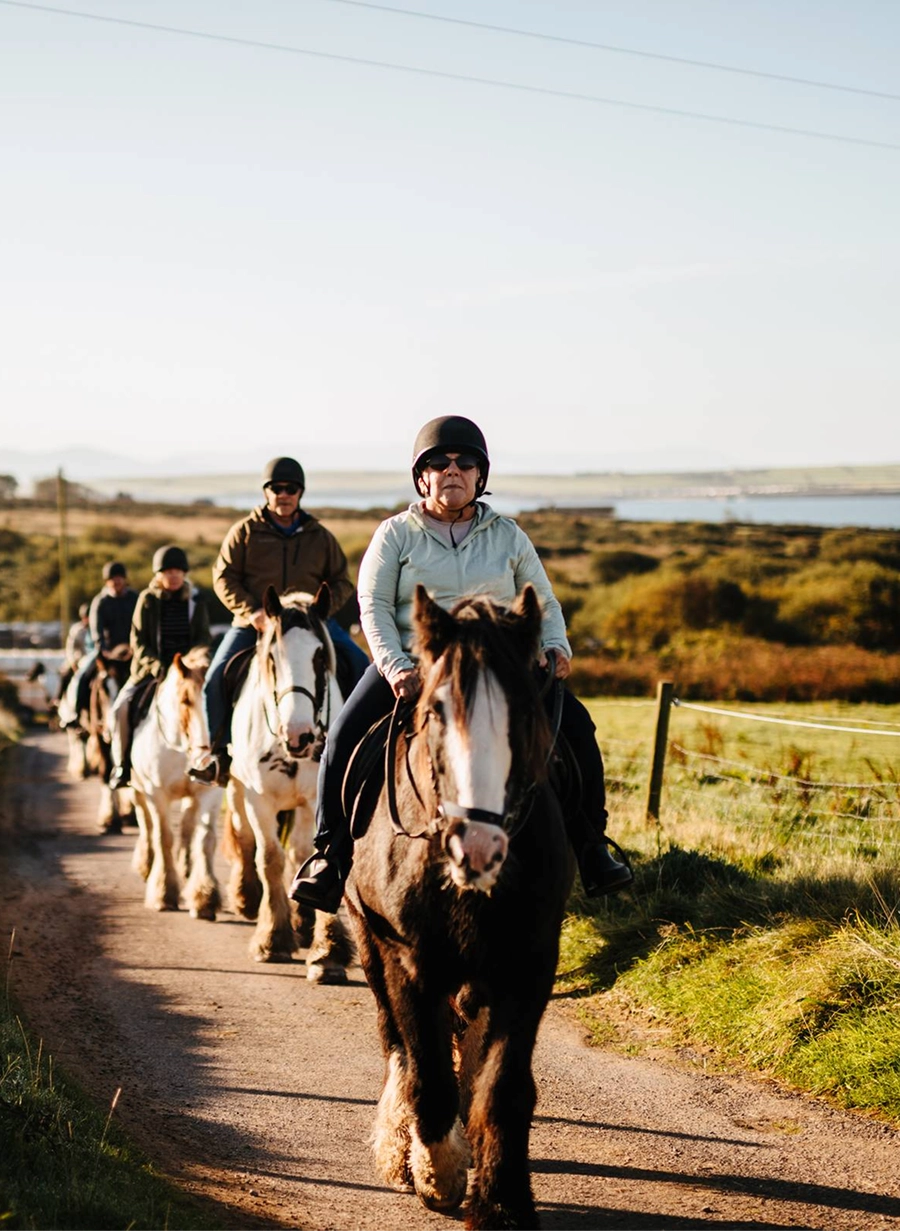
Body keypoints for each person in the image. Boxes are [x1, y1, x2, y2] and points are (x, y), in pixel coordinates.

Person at [291, 415, 633, 914]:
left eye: (465, 462)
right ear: (422, 477)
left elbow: (545, 601)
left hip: (500, 667)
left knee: (578, 729)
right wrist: (394, 666)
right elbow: (374, 607)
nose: (453, 470)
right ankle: (331, 855)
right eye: (438, 463)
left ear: (480, 476)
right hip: (414, 664)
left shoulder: (509, 536)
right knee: (343, 737)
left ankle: (592, 849)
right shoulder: (395, 535)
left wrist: (556, 645)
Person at [190, 456, 368, 786]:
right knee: (217, 675)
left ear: (300, 493)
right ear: (266, 492)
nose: (283, 494)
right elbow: (223, 578)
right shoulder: (244, 532)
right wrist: (250, 611)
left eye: (290, 489)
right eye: (276, 489)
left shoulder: (320, 536)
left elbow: (342, 581)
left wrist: (320, 611)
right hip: (257, 623)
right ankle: (217, 755)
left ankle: (362, 749)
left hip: (311, 623)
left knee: (360, 664)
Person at [108, 545, 211, 789]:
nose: (173, 576)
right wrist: (156, 666)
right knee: (120, 708)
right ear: (158, 575)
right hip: (152, 670)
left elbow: (203, 638)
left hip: (188, 673)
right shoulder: (147, 600)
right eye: (168, 571)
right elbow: (138, 640)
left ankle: (219, 761)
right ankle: (122, 766)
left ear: (184, 573)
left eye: (177, 571)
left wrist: (191, 664)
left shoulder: (195, 601)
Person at [58, 561, 138, 727]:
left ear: (124, 579)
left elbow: (140, 624)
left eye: (119, 578)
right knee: (82, 674)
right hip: (107, 652)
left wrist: (136, 646)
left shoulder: (134, 598)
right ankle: (75, 714)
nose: (117, 582)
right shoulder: (100, 602)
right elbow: (96, 629)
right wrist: (102, 648)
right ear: (107, 581)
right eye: (113, 579)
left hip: (132, 650)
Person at [56, 603, 94, 704]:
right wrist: (73, 663)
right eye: (87, 617)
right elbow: (70, 648)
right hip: (78, 659)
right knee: (66, 674)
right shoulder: (77, 630)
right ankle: (58, 698)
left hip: (92, 659)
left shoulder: (95, 629)